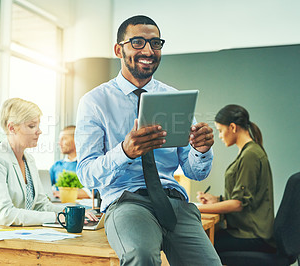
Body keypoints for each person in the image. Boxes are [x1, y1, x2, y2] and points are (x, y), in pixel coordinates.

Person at [75, 15, 221, 265]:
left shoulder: (174, 98)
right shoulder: (94, 102)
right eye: (138, 42)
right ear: (118, 49)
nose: (149, 51)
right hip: (126, 201)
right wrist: (125, 151)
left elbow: (195, 172)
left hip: (173, 201)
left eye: (156, 43)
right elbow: (86, 174)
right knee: (141, 256)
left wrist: (201, 150)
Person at [0, 98, 96, 231]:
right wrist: (58, 217)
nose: (39, 131)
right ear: (12, 128)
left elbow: (42, 206)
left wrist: (73, 210)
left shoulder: (29, 160)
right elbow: (5, 215)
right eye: (32, 126)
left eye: (38, 125)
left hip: (10, 238)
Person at [196, 104, 276, 254]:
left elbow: (238, 204)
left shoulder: (250, 155)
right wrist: (217, 199)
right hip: (251, 231)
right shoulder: (249, 152)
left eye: (220, 130)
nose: (219, 136)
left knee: (200, 247)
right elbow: (246, 198)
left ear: (232, 127)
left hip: (253, 235)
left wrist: (195, 208)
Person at [50, 125, 90, 199]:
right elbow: (46, 189)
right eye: (59, 140)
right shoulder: (56, 165)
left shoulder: (86, 164)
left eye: (64, 139)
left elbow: (91, 192)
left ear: (76, 140)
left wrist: (63, 193)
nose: (59, 143)